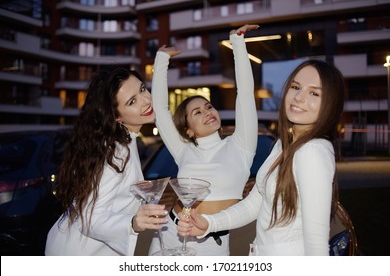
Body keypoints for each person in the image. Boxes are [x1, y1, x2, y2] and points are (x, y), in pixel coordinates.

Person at [177, 59, 346, 256]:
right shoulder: (285, 144)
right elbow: (255, 204)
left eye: (314, 93)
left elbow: (316, 244)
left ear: (330, 104)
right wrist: (209, 224)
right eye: (295, 87)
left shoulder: (313, 151)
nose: (299, 97)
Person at [149, 24, 259, 256]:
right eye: (197, 112)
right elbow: (159, 108)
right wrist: (161, 60)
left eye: (208, 106)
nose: (207, 112)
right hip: (172, 231)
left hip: (214, 241)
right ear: (187, 129)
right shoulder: (183, 149)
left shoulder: (241, 144)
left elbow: (246, 93)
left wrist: (237, 43)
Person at [45, 68, 168, 255]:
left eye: (143, 89)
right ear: (117, 116)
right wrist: (133, 223)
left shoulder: (122, 140)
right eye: (132, 101)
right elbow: (91, 218)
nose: (146, 100)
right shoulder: (116, 151)